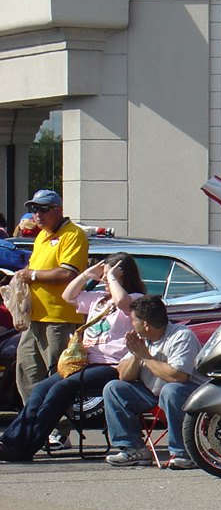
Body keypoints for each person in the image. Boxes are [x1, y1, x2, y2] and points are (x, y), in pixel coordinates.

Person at [0, 254, 146, 462]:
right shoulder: (98, 300)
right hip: (84, 362)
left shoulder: (136, 299)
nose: (104, 280)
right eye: (103, 277)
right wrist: (88, 274)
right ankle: (12, 441)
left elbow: (123, 302)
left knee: (62, 388)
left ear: (123, 276)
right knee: (41, 388)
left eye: (108, 277)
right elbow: (68, 296)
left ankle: (26, 447)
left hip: (112, 365)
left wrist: (112, 277)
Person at [102, 295, 203, 470]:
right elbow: (124, 376)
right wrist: (136, 355)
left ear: (146, 324)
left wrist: (146, 357)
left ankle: (184, 453)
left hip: (188, 394)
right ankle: (133, 449)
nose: (131, 324)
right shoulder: (143, 340)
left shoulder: (181, 336)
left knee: (171, 390)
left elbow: (178, 376)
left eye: (133, 320)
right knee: (114, 388)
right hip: (153, 392)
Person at [13, 190, 89, 404]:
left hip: (59, 319)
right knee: (27, 371)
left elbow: (68, 272)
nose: (37, 214)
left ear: (58, 210)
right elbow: (34, 267)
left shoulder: (73, 234)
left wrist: (33, 275)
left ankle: (58, 431)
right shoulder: (42, 236)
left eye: (43, 209)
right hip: (34, 318)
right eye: (34, 209)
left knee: (57, 375)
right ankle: (33, 424)